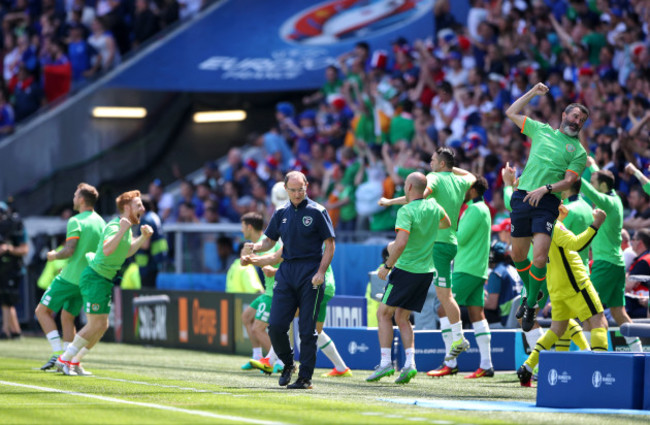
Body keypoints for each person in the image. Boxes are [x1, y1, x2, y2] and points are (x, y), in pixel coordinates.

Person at [380, 148, 475, 376]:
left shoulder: (433, 178)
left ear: (441, 164)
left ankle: (459, 338)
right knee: (440, 296)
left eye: (433, 161)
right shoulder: (461, 181)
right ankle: (455, 339)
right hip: (451, 240)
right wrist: (450, 168)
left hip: (439, 244)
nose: (429, 164)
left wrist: (390, 201)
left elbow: (417, 195)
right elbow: (471, 176)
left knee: (444, 295)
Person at [504, 82, 588, 332]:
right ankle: (534, 293)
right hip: (522, 197)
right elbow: (511, 112)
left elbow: (570, 180)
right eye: (574, 115)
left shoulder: (579, 152)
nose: (577, 120)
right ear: (564, 115)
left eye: (582, 119)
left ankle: (530, 305)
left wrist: (546, 189)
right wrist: (532, 92)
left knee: (539, 257)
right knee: (518, 256)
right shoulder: (541, 130)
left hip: (548, 201)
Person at [244, 171, 335, 389]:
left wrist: (321, 272)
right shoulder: (281, 212)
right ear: (286, 189)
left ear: (307, 187)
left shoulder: (317, 211)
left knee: (307, 330)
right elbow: (269, 241)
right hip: (286, 271)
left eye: (300, 189)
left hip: (310, 272)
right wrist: (255, 247)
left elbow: (330, 245)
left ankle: (305, 378)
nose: (296, 193)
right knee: (275, 326)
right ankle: (287, 363)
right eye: (292, 190)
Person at [56, 190, 153, 375]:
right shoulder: (116, 225)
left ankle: (74, 361)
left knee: (102, 325)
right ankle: (64, 359)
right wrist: (123, 230)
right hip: (94, 278)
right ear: (126, 207)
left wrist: (142, 238)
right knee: (94, 325)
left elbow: (126, 251)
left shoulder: (126, 227)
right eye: (138, 205)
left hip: (103, 280)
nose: (142, 208)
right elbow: (108, 249)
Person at [366, 172, 451, 384]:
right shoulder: (433, 207)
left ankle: (386, 363)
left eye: (405, 184)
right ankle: (410, 364)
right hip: (425, 272)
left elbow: (401, 243)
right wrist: (424, 232)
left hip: (406, 270)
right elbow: (446, 223)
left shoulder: (406, 210)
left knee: (383, 314)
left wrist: (387, 266)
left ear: (410, 187)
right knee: (402, 317)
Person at [518, 205, 609, 386]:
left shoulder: (535, 228)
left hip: (556, 288)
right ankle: (600, 372)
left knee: (557, 330)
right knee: (599, 322)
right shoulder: (553, 226)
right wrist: (596, 224)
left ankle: (527, 367)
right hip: (576, 283)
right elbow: (576, 244)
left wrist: (558, 218)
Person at [35, 183, 105, 372]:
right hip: (87, 279)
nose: (73, 199)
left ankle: (59, 354)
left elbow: (69, 250)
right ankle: (70, 361)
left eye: (75, 195)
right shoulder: (101, 222)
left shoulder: (76, 221)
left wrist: (53, 256)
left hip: (69, 277)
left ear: (81, 199)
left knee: (41, 311)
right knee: (68, 317)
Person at [580, 158, 643, 352]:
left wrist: (571, 172)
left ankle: (592, 353)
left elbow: (589, 190)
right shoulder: (614, 199)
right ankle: (638, 352)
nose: (591, 183)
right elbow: (601, 182)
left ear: (603, 185)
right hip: (616, 265)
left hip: (604, 265)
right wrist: (592, 166)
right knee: (618, 312)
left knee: (587, 307)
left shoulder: (606, 202)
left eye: (594, 180)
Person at [440, 176, 493, 379]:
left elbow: (460, 238)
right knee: (476, 314)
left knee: (443, 308)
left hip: (466, 269)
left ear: (472, 190)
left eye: (464, 188)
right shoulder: (484, 209)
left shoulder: (474, 210)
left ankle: (450, 362)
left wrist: (446, 224)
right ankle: (486, 365)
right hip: (478, 269)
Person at [237, 212, 279, 371]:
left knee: (258, 328)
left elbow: (272, 263)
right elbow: (243, 263)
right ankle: (257, 356)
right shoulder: (253, 244)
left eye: (242, 227)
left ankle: (279, 361)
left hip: (274, 292)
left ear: (249, 227)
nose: (241, 231)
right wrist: (245, 255)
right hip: (268, 291)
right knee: (246, 317)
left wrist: (249, 258)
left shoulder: (267, 243)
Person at [0, 201, 27, 339]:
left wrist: (9, 249)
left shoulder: (16, 226)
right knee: (5, 300)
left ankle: (6, 331)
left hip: (14, 269)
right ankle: (15, 332)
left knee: (7, 300)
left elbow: (24, 249)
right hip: (3, 269)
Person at [485, 241, 522, 327]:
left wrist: (475, 301)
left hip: (503, 318)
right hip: (517, 318)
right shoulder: (514, 270)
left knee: (469, 312)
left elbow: (492, 305)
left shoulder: (496, 273)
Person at [134, 195, 168, 288]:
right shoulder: (155, 216)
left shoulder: (146, 220)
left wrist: (131, 239)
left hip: (148, 264)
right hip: (155, 262)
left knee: (148, 295)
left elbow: (145, 244)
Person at [561, 179, 593, 268]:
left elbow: (555, 240)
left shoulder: (566, 210)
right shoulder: (588, 208)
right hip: (584, 268)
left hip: (569, 271)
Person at [626, 229, 650, 318]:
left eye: (634, 239)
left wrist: (627, 276)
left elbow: (627, 286)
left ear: (639, 242)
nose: (631, 241)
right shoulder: (642, 258)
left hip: (641, 305)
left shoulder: (644, 261)